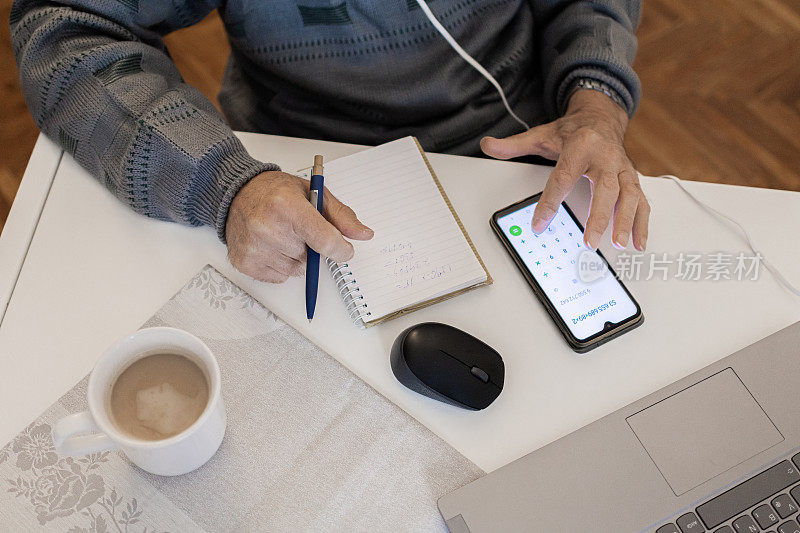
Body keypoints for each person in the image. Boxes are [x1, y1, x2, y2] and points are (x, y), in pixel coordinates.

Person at [10, 0, 649, 283]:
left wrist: (595, 98)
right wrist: (225, 187)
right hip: (299, 182)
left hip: (526, 154)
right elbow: (67, 27)